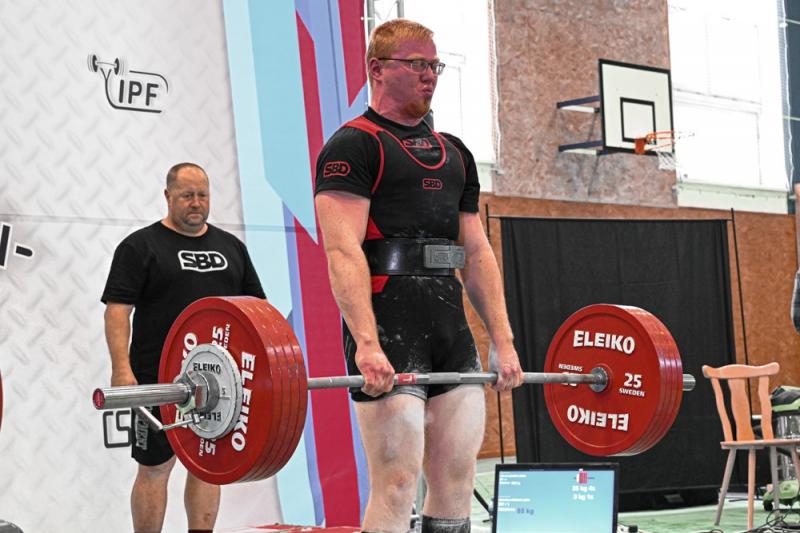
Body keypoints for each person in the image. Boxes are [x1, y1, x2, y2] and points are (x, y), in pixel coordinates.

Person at [314, 19, 524, 533]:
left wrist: (503, 340)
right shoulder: (353, 146)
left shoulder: (456, 154)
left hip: (449, 329)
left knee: (456, 480)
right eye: (416, 64)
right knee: (397, 483)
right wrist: (366, 344)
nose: (429, 75)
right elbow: (343, 251)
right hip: (388, 326)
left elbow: (476, 252)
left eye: (434, 65)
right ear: (377, 69)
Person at [101, 162, 266, 533]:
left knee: (207, 465)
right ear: (168, 196)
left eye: (202, 195)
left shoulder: (231, 248)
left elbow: (256, 310)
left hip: (220, 382)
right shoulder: (140, 246)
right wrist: (121, 369)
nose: (196, 203)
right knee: (155, 467)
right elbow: (117, 311)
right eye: (187, 195)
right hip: (158, 378)